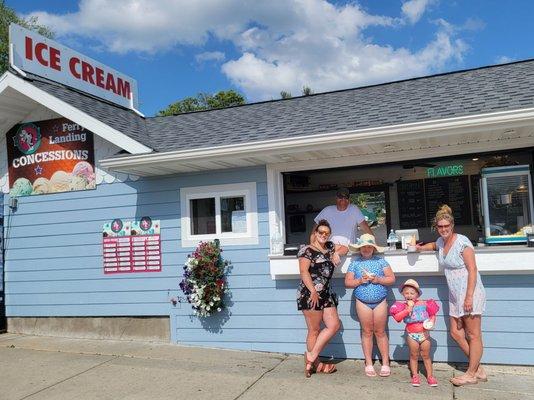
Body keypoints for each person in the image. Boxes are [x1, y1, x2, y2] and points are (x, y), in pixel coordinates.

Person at [416, 205, 487, 386]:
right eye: (440, 227)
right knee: (456, 333)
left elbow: (472, 269)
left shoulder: (462, 242)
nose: (443, 229)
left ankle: (471, 373)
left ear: (452, 225)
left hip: (469, 292)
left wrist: (469, 296)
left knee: (473, 334)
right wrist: (419, 248)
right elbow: (433, 245)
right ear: (436, 228)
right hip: (455, 294)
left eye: (446, 226)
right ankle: (478, 369)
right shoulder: (441, 241)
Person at [344, 233, 395, 377]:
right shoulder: (355, 263)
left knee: (380, 332)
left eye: (369, 247)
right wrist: (360, 281)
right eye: (363, 247)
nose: (366, 249)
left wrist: (378, 279)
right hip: (362, 302)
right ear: (359, 249)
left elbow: (391, 279)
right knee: (367, 332)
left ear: (373, 248)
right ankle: (368, 362)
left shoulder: (381, 261)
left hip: (380, 301)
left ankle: (385, 362)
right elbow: (348, 283)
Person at [298, 219, 341, 377]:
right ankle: (314, 364)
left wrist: (336, 252)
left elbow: (343, 247)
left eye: (327, 233)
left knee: (334, 325)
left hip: (327, 294)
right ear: (315, 233)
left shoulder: (329, 247)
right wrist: (313, 292)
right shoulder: (306, 250)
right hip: (311, 294)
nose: (324, 235)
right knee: (314, 330)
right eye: (321, 232)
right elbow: (304, 272)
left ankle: (311, 356)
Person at [390, 279, 440, 387]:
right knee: (414, 355)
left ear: (417, 294)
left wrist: (431, 322)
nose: (409, 295)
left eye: (412, 293)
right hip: (412, 334)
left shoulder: (424, 303)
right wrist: (408, 309)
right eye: (406, 293)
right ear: (403, 294)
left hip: (424, 334)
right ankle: (415, 375)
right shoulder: (402, 306)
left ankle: (430, 376)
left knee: (426, 355)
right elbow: (397, 318)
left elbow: (432, 314)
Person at [312, 187, 373, 265]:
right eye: (340, 197)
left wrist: (373, 245)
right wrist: (313, 251)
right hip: (330, 253)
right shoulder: (327, 210)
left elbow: (366, 229)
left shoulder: (354, 209)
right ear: (336, 198)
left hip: (350, 254)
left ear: (349, 199)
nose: (343, 199)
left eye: (346, 197)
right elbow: (314, 232)